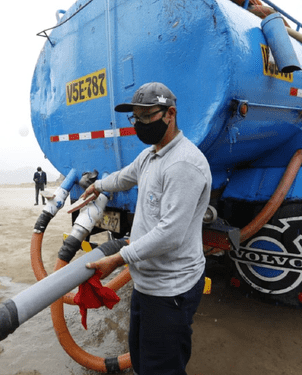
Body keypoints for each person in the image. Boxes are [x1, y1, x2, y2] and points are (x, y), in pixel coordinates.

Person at [80, 82, 212, 375]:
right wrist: (97, 186)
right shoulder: (151, 155)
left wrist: (116, 259)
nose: (139, 124)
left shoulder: (184, 164)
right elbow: (124, 178)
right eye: (135, 117)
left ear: (170, 114)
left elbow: (170, 234)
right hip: (146, 284)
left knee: (162, 368)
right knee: (141, 361)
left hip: (171, 289)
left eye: (146, 116)